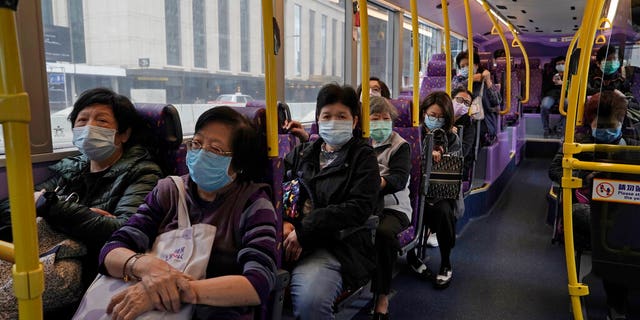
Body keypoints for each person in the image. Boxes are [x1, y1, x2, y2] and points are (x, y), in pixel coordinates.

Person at [99, 106, 278, 319]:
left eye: (216, 150)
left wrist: (172, 290)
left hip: (218, 307)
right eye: (197, 143)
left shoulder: (254, 203)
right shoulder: (168, 191)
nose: (201, 153)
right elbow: (111, 251)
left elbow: (258, 283)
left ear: (238, 163)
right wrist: (146, 267)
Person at [0, 87, 163, 283]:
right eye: (82, 120)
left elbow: (123, 231)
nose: (89, 128)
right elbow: (10, 207)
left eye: (101, 121)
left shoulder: (144, 172)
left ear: (124, 134)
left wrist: (50, 206)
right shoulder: (74, 167)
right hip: (45, 253)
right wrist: (80, 213)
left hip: (85, 268)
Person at [282, 83, 380, 320]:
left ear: (354, 121)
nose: (333, 121)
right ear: (318, 119)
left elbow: (358, 208)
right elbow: (280, 190)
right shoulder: (303, 154)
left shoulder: (363, 157)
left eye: (341, 116)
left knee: (310, 303)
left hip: (336, 244)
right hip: (290, 236)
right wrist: (284, 222)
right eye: (327, 116)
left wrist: (306, 229)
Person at [548, 91, 636, 320]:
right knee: (615, 235)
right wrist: (585, 176)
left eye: (612, 126)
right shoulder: (579, 142)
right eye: (600, 126)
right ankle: (618, 304)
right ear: (591, 123)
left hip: (627, 205)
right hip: (589, 204)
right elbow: (555, 170)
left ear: (621, 123)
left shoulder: (633, 142)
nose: (606, 131)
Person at [407, 91, 462, 289]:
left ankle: (446, 261)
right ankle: (411, 255)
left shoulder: (452, 138)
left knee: (443, 212)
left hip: (439, 193)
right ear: (423, 113)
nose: (435, 120)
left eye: (440, 117)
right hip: (413, 190)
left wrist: (441, 156)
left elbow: (454, 170)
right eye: (432, 115)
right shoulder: (414, 134)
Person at [368, 96, 411, 319]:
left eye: (386, 119)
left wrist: (372, 183)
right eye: (375, 119)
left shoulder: (401, 146)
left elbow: (398, 180)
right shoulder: (359, 143)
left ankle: (382, 296)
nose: (381, 123)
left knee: (383, 233)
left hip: (394, 207)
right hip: (364, 205)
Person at [452, 50, 499, 145]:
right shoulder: (457, 81)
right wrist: (470, 80)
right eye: (462, 66)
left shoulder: (485, 81)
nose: (465, 68)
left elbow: (496, 101)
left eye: (468, 64)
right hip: (461, 120)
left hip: (481, 121)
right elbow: (453, 92)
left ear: (476, 65)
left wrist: (488, 81)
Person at [451, 87, 477, 180]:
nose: (462, 104)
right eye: (459, 100)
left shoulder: (469, 126)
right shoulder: (440, 118)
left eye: (466, 103)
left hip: (457, 165)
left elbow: (463, 151)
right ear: (451, 99)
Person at [541, 56, 568, 137]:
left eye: (562, 64)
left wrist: (563, 83)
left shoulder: (570, 74)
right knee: (544, 106)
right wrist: (552, 82)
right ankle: (546, 129)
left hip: (564, 94)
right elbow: (544, 87)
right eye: (558, 64)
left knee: (566, 104)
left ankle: (559, 128)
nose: (561, 66)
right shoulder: (550, 74)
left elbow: (573, 87)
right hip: (551, 94)